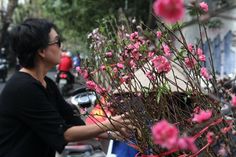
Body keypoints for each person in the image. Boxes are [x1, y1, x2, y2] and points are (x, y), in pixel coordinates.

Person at [0, 18, 130, 157]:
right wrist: (110, 124)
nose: (61, 47)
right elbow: (64, 133)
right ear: (42, 51)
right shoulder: (23, 88)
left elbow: (74, 123)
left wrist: (115, 134)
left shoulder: (47, 84)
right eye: (57, 42)